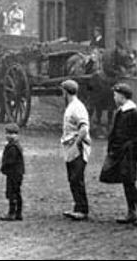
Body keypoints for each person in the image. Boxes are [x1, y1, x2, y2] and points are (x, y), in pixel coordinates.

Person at [100, 83, 137, 227]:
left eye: (115, 95)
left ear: (122, 96)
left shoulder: (134, 112)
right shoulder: (121, 111)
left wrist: (130, 145)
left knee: (130, 182)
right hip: (119, 152)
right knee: (126, 181)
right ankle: (131, 212)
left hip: (129, 154)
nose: (114, 97)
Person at [60, 80, 91, 221]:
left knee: (76, 178)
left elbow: (84, 128)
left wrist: (76, 145)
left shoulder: (77, 107)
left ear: (65, 92)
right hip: (69, 146)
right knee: (72, 178)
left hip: (77, 147)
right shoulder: (71, 106)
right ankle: (77, 207)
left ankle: (83, 209)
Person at [0, 123, 24, 221]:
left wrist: (3, 166)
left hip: (13, 173)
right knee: (16, 192)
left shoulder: (12, 147)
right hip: (17, 173)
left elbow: (10, 161)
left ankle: (12, 212)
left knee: (12, 192)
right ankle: (18, 213)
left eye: (11, 134)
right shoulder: (15, 146)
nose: (8, 136)